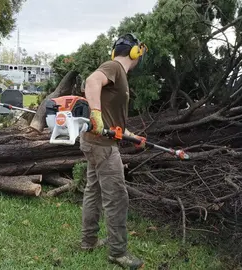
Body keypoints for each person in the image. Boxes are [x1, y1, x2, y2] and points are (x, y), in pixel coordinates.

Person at [79, 33, 148, 269]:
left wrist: (132, 137)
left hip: (94, 142)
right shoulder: (115, 67)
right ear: (135, 52)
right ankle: (118, 252)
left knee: (94, 191)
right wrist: (95, 113)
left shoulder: (118, 74)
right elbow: (91, 81)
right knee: (116, 198)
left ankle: (88, 241)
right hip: (103, 147)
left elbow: (114, 125)